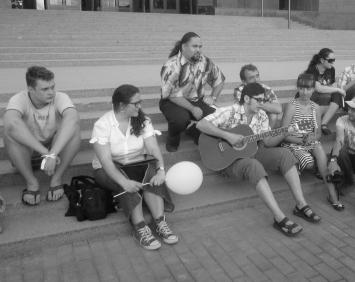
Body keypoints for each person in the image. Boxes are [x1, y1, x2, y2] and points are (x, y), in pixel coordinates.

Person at [197, 82, 321, 237]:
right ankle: (279, 217)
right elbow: (201, 124)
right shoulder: (230, 111)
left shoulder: (261, 115)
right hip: (227, 160)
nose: (262, 104)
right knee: (253, 165)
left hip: (251, 152)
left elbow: (268, 142)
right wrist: (228, 135)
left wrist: (286, 132)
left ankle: (301, 205)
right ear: (247, 98)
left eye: (264, 100)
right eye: (259, 100)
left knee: (285, 154)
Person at [91, 85, 176, 250]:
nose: (140, 106)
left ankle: (160, 222)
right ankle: (140, 228)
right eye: (135, 103)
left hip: (137, 164)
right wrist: (124, 182)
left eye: (140, 102)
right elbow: (106, 160)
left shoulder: (143, 120)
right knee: (127, 180)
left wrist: (161, 171)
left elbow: (153, 149)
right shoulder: (102, 125)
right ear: (122, 106)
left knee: (151, 172)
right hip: (107, 170)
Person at [4, 66, 81, 206]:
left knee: (74, 129)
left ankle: (56, 178)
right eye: (45, 89)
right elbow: (11, 123)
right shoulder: (19, 99)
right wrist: (46, 153)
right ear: (31, 89)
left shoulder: (60, 97)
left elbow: (72, 119)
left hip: (55, 153)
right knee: (9, 132)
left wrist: (53, 153)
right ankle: (31, 182)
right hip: (29, 153)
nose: (51, 92)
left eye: (53, 87)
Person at [281, 74, 344, 211]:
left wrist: (312, 139)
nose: (305, 92)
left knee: (319, 149)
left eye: (308, 89)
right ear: (298, 88)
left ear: (313, 90)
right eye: (302, 88)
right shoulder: (291, 107)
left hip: (309, 142)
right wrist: (302, 140)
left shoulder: (315, 107)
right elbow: (283, 134)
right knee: (309, 164)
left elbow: (318, 133)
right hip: (293, 143)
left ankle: (333, 195)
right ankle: (300, 165)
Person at [159, 32, 225, 152]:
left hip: (197, 100)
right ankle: (173, 138)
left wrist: (213, 97)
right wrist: (193, 109)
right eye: (194, 46)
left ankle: (194, 131)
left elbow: (219, 80)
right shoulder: (171, 65)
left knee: (219, 117)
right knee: (180, 120)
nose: (198, 50)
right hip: (173, 102)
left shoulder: (205, 62)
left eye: (200, 47)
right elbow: (172, 95)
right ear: (184, 47)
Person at [303, 48, 346, 135]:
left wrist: (337, 90)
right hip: (310, 96)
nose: (333, 62)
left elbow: (331, 86)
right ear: (322, 60)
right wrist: (338, 89)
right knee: (328, 95)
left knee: (337, 96)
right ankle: (313, 122)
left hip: (323, 96)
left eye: (334, 60)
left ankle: (323, 123)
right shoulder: (312, 70)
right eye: (330, 60)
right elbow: (318, 88)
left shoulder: (331, 69)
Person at [234, 64, 282, 129]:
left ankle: (265, 137)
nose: (256, 80)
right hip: (247, 118)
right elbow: (244, 109)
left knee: (273, 116)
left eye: (257, 76)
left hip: (262, 117)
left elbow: (278, 109)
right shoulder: (239, 91)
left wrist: (255, 102)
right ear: (244, 82)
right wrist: (262, 103)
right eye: (251, 78)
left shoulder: (266, 89)